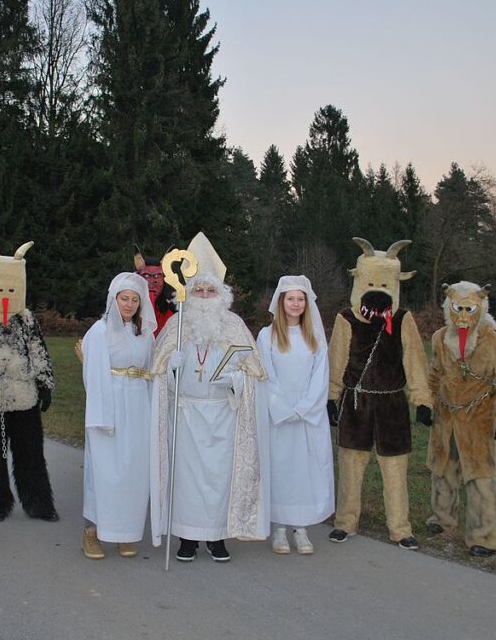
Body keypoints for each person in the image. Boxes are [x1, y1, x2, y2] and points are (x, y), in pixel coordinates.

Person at [148, 232, 269, 563]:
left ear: (221, 294)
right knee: (185, 480)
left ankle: (217, 538)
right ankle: (187, 537)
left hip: (222, 417)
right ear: (188, 292)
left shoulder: (234, 325)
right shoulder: (177, 325)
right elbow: (157, 374)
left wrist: (235, 381)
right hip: (185, 415)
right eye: (198, 290)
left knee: (218, 479)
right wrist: (170, 369)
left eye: (209, 290)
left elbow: (253, 373)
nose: (203, 295)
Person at [327, 238, 432, 550]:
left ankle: (400, 528)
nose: (377, 290)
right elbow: (336, 359)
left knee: (395, 468)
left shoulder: (402, 319)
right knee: (350, 466)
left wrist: (422, 399)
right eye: (371, 283)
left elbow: (414, 360)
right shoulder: (346, 318)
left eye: (384, 284)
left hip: (392, 404)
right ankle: (345, 522)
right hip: (356, 403)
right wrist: (331, 397)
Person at [426, 282, 496, 557]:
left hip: (478, 419)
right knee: (442, 468)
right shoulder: (440, 338)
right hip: (445, 416)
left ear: (481, 308)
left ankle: (487, 534)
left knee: (480, 474)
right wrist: (425, 402)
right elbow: (434, 372)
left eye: (470, 309)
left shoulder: (495, 344)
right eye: (458, 308)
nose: (463, 315)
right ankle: (442, 518)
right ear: (449, 308)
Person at [0, 238, 60, 522]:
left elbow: (38, 351)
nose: (6, 295)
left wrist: (44, 383)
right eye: (0, 289)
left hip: (24, 397)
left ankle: (39, 504)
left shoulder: (26, 319)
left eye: (11, 289)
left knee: (31, 453)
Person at [79, 272, 156, 559]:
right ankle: (92, 533)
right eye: (125, 298)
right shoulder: (100, 331)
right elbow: (94, 375)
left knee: (133, 471)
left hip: (138, 406)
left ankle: (125, 532)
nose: (129, 304)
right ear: (114, 299)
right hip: (110, 404)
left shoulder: (144, 334)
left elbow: (150, 371)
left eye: (135, 300)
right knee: (105, 472)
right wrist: (102, 417)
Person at [257, 276, 335, 555]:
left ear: (307, 303)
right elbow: (265, 374)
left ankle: (301, 529)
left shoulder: (314, 336)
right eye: (290, 299)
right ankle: (279, 528)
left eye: (300, 299)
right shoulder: (267, 336)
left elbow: (320, 375)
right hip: (277, 417)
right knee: (280, 470)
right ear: (281, 302)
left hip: (307, 416)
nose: (296, 304)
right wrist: (281, 407)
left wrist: (304, 408)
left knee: (305, 471)